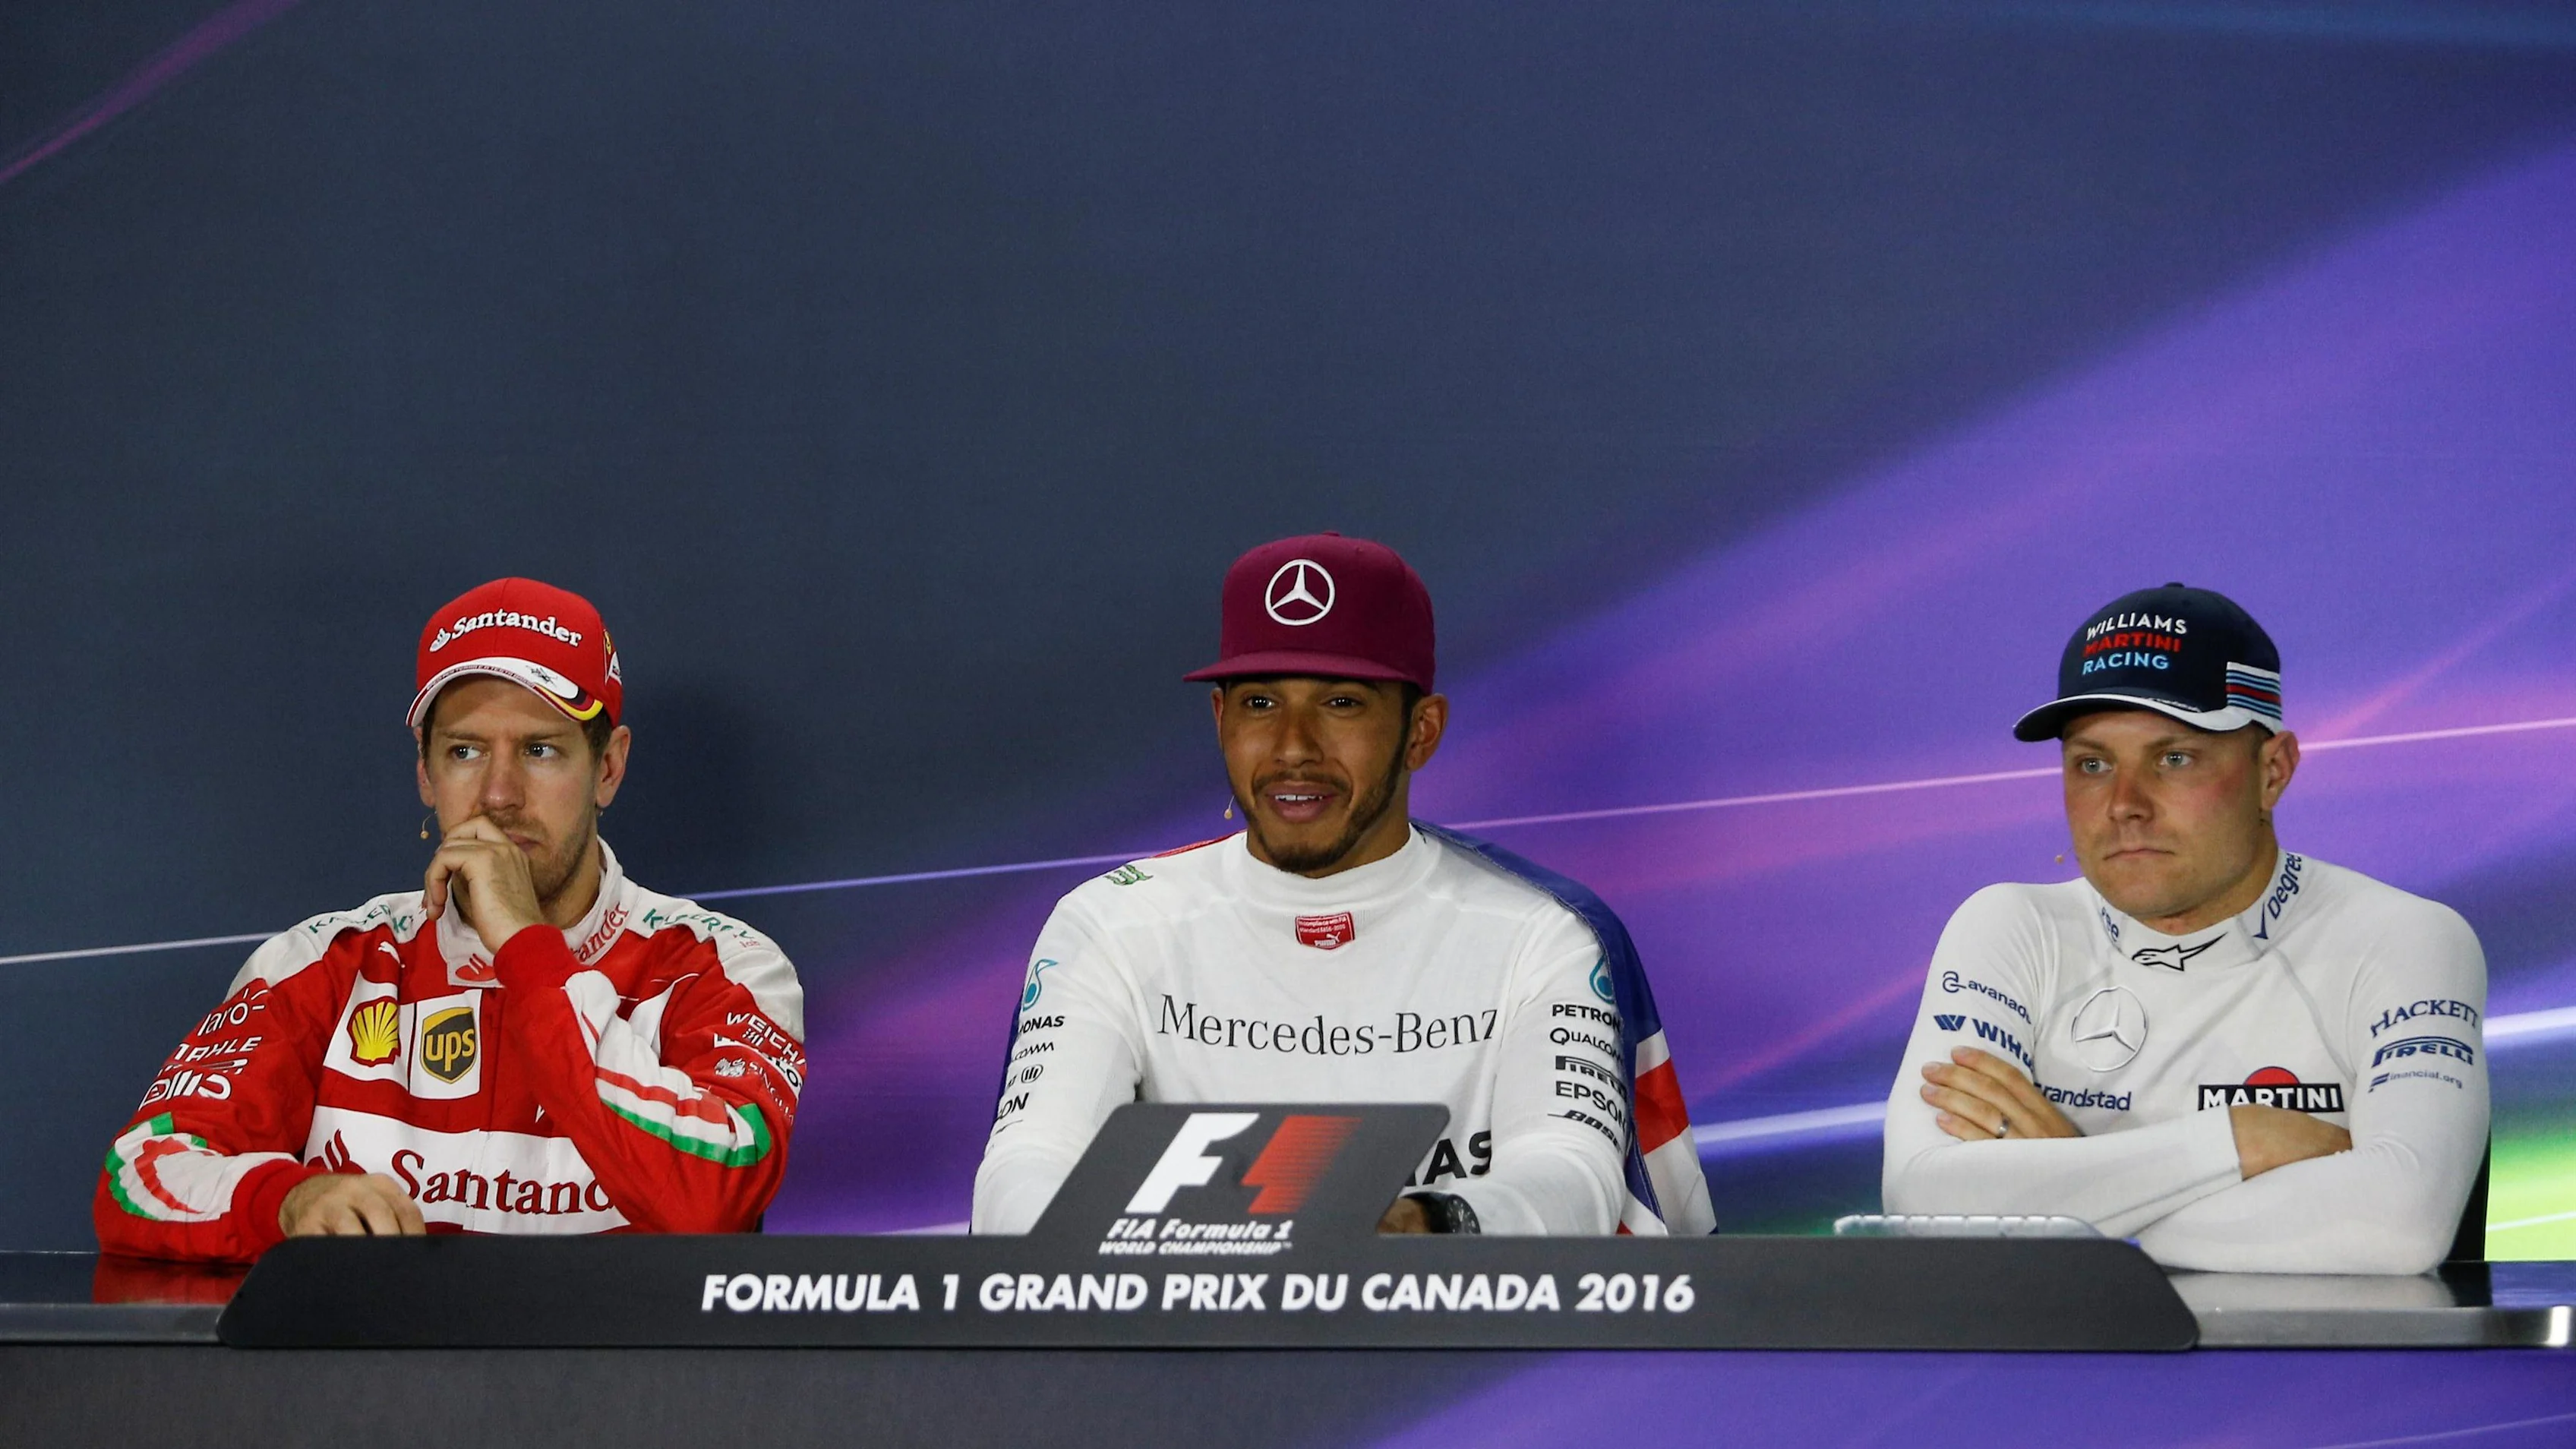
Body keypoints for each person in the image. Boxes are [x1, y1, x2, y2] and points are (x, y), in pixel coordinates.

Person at [972, 533, 1713, 1237]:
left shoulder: (1544, 932)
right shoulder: (1111, 924)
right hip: (1179, 1327)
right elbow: (1027, 1165)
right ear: (1220, 719)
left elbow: (1573, 1175)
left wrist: (1422, 1227)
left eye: (1341, 703)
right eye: (1260, 704)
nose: (1293, 748)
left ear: (1421, 731)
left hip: (1450, 1327)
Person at [96, 579, 804, 1260]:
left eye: (540, 750)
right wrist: (285, 1202)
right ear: (425, 775)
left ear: (609, 769)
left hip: (618, 1352)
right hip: (378, 1352)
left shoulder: (724, 969)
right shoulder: (321, 965)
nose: (498, 794)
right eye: (465, 751)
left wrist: (526, 950)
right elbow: (140, 1174)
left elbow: (712, 1197)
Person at [1881, 584, 2487, 1273]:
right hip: (2073, 1348)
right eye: (2092, 764)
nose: (2124, 805)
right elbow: (1920, 1201)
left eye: (2174, 758)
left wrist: (2065, 1194)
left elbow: (2401, 1225)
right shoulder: (2013, 928)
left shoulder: (2401, 937)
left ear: (2273, 772)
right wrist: (2237, 1140)